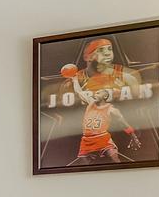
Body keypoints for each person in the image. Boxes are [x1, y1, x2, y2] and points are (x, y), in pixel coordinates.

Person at [58, 35, 145, 166]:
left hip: (112, 135)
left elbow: (139, 109)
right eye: (100, 50)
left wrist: (134, 134)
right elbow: (62, 115)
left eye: (109, 49)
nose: (107, 53)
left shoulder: (128, 78)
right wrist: (75, 80)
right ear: (88, 57)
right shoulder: (72, 83)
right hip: (85, 137)